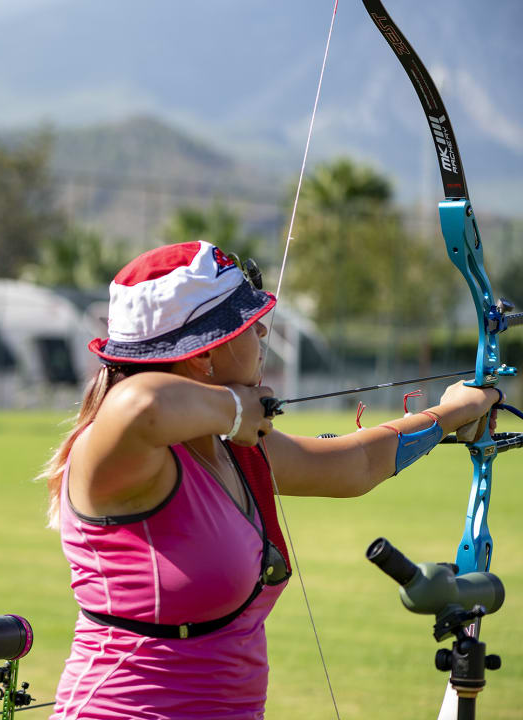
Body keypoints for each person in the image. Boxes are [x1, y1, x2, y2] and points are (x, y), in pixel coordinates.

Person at [43, 242, 500, 719]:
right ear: (204, 354)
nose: (262, 329)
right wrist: (235, 409)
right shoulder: (118, 454)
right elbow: (140, 404)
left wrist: (453, 411)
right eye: (245, 324)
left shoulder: (231, 445)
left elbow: (357, 464)